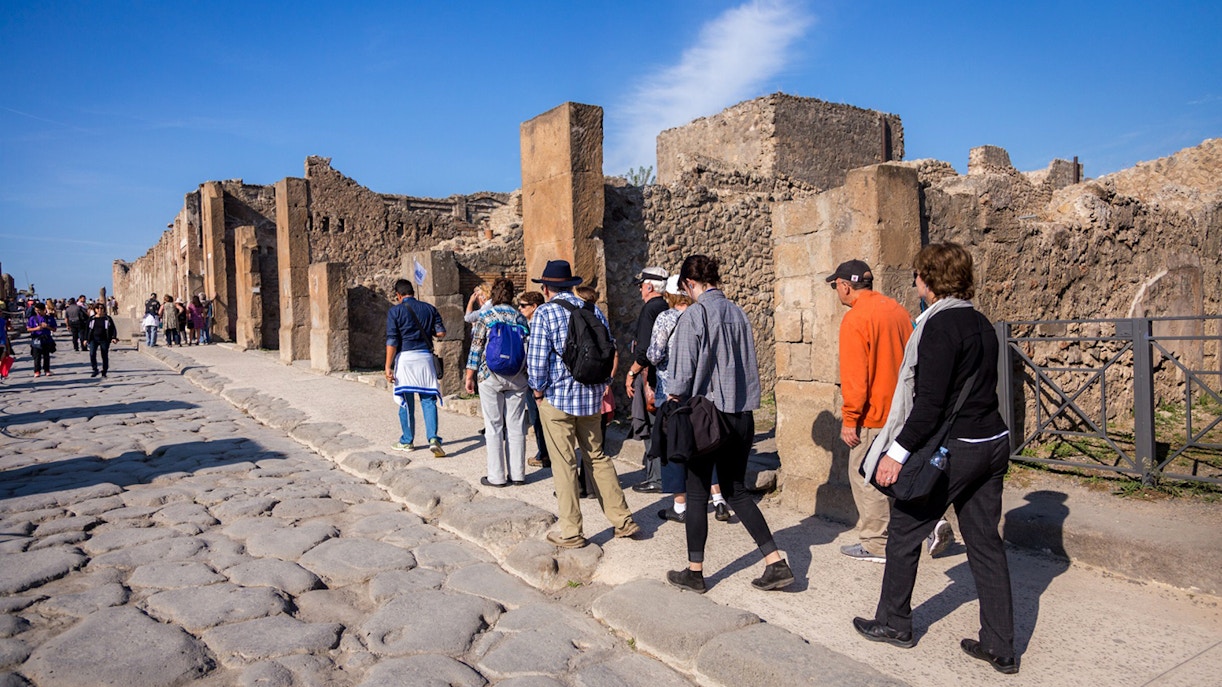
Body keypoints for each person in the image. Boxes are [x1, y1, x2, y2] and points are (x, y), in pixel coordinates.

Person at [853, 243, 1017, 674]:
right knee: (985, 543)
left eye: (918, 276)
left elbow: (929, 404)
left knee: (905, 531)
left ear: (928, 279)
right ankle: (1000, 646)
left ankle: (894, 623)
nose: (916, 283)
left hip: (956, 447)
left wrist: (896, 453)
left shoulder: (940, 327)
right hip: (992, 440)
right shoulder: (981, 323)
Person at [665, 255, 793, 593]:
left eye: (686, 289)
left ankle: (695, 572)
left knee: (696, 492)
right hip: (742, 415)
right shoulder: (738, 312)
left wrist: (673, 399)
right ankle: (775, 561)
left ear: (689, 284)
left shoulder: (695, 314)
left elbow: (679, 376)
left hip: (708, 417)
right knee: (735, 490)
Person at [527, 260, 640, 548]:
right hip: (591, 398)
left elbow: (537, 361)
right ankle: (623, 520)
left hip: (558, 399)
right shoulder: (592, 310)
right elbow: (609, 347)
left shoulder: (545, 313)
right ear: (570, 283)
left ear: (546, 287)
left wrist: (538, 392)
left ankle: (571, 532)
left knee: (564, 464)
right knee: (598, 457)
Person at [828, 259, 929, 563]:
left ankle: (875, 543)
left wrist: (850, 420)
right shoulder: (897, 311)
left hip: (873, 415)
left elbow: (856, 378)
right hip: (902, 411)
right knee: (897, 475)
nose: (836, 290)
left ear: (845, 286)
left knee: (864, 475)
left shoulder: (856, 319)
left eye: (836, 286)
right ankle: (921, 527)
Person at [649, 275, 730, 525]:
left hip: (671, 392)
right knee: (706, 445)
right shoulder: (702, 314)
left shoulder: (666, 318)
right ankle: (718, 500)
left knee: (676, 447)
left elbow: (654, 354)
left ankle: (679, 505)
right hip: (701, 394)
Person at [465, 277, 530, 487]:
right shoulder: (520, 318)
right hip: (517, 376)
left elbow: (477, 345)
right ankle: (518, 474)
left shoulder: (486, 315)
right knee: (516, 425)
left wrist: (469, 375)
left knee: (493, 426)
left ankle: (497, 476)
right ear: (512, 296)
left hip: (490, 375)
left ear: (494, 294)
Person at [384, 278, 447, 457]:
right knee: (428, 400)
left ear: (398, 295)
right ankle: (433, 438)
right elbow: (441, 332)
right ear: (412, 291)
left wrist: (388, 366)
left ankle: (407, 440)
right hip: (425, 359)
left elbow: (392, 341)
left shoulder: (395, 312)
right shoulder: (429, 309)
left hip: (405, 359)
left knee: (406, 401)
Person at [625, 267, 670, 494]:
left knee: (651, 429)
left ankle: (656, 478)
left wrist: (631, 372)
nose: (640, 289)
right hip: (667, 377)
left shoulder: (649, 310)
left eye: (641, 285)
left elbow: (644, 351)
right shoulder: (665, 307)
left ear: (649, 286)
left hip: (651, 377)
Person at [519, 290, 550, 469]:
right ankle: (545, 451)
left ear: (534, 307)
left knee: (537, 418)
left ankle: (543, 454)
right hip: (537, 378)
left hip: (536, 380)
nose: (520, 308)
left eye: (523, 306)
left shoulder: (535, 326)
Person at [86, 303, 119, 378]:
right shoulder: (92, 318)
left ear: (104, 309)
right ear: (95, 309)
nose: (99, 310)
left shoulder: (107, 318)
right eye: (97, 308)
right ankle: (95, 369)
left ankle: (104, 371)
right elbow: (87, 329)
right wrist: (85, 339)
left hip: (104, 339)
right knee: (92, 354)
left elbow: (113, 329)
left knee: (104, 355)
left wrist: (114, 337)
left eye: (101, 308)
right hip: (93, 339)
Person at [26, 301, 57, 377]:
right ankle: (37, 371)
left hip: (46, 339)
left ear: (44, 310)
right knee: (37, 356)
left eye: (39, 310)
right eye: (36, 310)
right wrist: (36, 328)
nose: (37, 312)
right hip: (36, 339)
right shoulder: (32, 318)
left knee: (46, 356)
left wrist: (47, 327)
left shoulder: (49, 318)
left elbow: (54, 329)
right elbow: (28, 329)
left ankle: (47, 370)